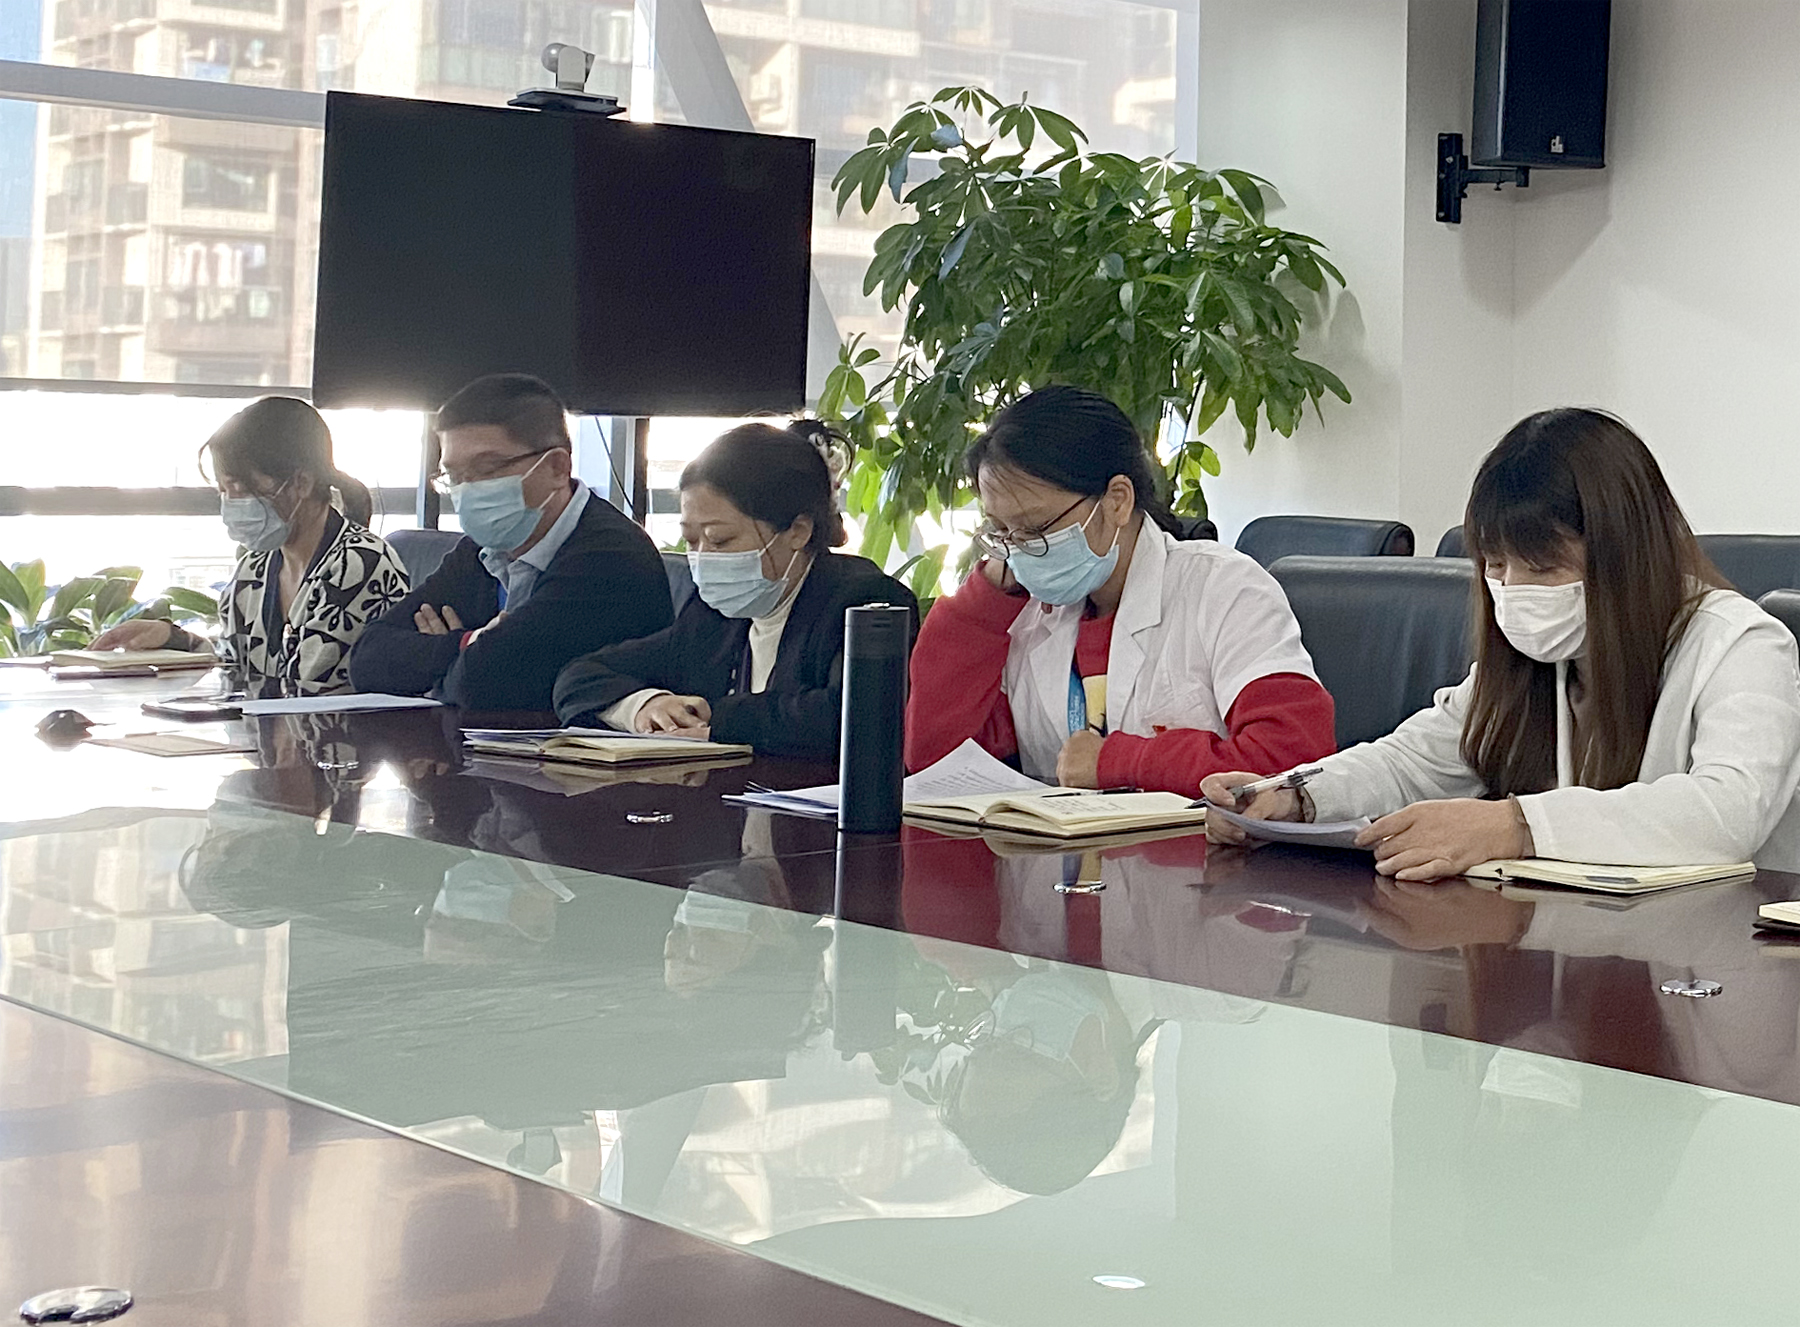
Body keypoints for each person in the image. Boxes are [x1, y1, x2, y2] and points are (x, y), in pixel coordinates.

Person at [1206, 408, 1800, 878]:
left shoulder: (1741, 645)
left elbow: (1727, 811)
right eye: (1495, 565)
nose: (1513, 590)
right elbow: (1412, 759)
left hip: (1720, 958)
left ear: (1626, 557)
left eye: (1543, 568)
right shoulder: (1539, 657)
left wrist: (1514, 826)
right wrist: (1293, 796)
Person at [905, 385, 1336, 792]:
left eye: (1035, 529)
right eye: (1001, 531)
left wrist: (1119, 761)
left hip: (1204, 846)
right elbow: (938, 765)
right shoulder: (1025, 613)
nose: (1019, 551)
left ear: (1116, 500)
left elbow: (1295, 762)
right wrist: (984, 599)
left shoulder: (1224, 588)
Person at [554, 420, 916, 759]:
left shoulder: (866, 602)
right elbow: (580, 676)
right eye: (691, 541)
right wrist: (644, 705)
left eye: (719, 539)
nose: (702, 558)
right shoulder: (713, 615)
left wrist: (720, 722)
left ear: (798, 531)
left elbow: (849, 716)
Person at [348, 374, 672, 710]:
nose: (467, 489)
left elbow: (483, 685)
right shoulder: (481, 549)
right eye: (454, 477)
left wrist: (438, 663)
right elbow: (368, 660)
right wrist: (466, 642)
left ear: (558, 467)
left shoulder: (612, 557)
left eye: (487, 469)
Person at [93, 397, 408, 696]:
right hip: (268, 733)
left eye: (241, 487)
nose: (231, 503)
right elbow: (236, 669)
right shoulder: (256, 565)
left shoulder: (360, 562)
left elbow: (301, 690)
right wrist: (172, 638)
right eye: (223, 490)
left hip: (336, 734)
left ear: (301, 483)